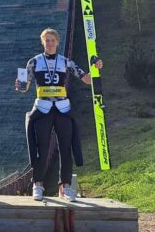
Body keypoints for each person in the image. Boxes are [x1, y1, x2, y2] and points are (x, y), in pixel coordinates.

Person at [15, 28, 103, 202]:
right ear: (42, 42)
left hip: (62, 108)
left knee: (65, 147)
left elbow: (86, 78)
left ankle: (66, 186)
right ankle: (38, 184)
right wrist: (19, 85)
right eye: (46, 40)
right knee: (43, 148)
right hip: (42, 108)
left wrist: (96, 67)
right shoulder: (33, 62)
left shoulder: (65, 62)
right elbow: (23, 87)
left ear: (57, 42)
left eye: (52, 40)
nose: (49, 43)